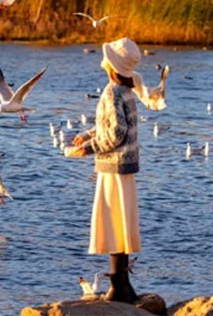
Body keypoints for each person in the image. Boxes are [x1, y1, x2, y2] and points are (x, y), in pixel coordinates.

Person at [65, 37, 142, 303]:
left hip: (113, 167)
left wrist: (89, 148)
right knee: (122, 222)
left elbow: (116, 133)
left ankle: (119, 287)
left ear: (112, 66)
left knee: (112, 222)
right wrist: (87, 135)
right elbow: (112, 125)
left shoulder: (111, 91)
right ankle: (123, 284)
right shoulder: (127, 90)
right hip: (126, 166)